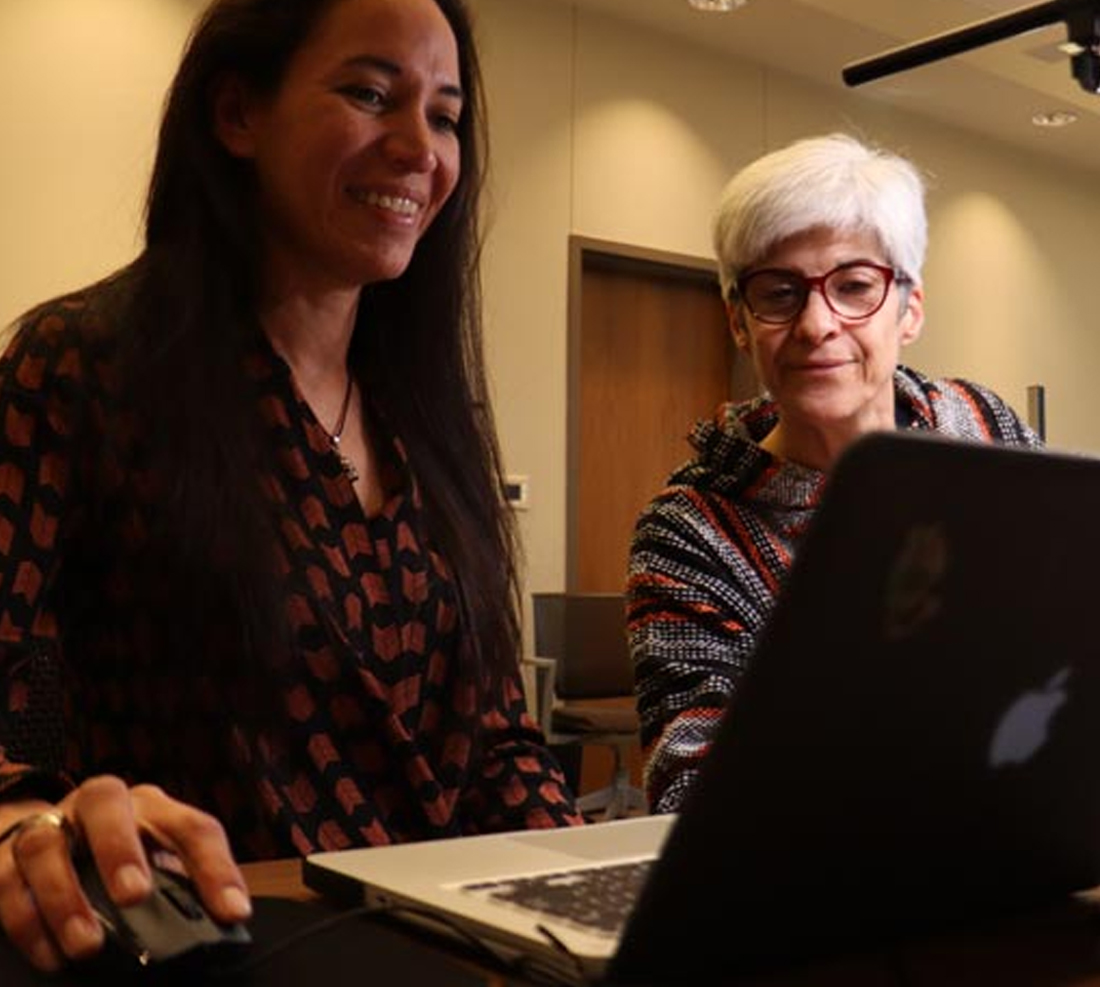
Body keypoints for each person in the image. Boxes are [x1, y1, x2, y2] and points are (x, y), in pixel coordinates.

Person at [0, 0, 583, 973]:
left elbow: (492, 744)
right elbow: (14, 689)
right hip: (219, 943)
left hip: (453, 951)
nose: (418, 149)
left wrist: (598, 891)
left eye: (444, 116)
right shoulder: (82, 364)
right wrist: (26, 808)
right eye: (368, 94)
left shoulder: (424, 417)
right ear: (236, 115)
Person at [626, 132, 1042, 816]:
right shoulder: (690, 530)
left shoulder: (981, 425)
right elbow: (691, 790)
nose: (817, 324)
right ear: (738, 321)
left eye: (854, 287)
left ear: (910, 309)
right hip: (834, 879)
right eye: (779, 293)